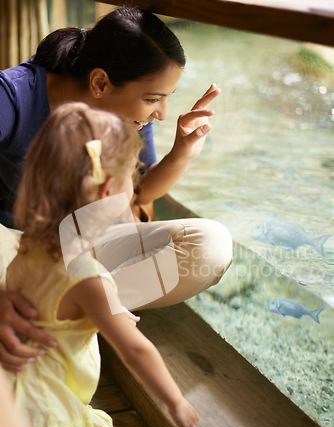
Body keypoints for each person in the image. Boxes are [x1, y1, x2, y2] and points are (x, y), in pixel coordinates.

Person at [0, 6, 232, 371]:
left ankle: (65, 316)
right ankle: (59, 322)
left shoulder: (128, 115)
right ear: (100, 83)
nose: (162, 113)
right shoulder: (12, 97)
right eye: (154, 98)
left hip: (75, 255)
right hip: (13, 252)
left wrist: (182, 153)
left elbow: (142, 193)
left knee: (211, 247)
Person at [4, 102, 199, 427]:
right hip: (41, 404)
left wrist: (102, 309)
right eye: (134, 175)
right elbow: (136, 352)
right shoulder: (88, 278)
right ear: (110, 190)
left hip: (11, 387)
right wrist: (175, 403)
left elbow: (48, 306)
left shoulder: (28, 247)